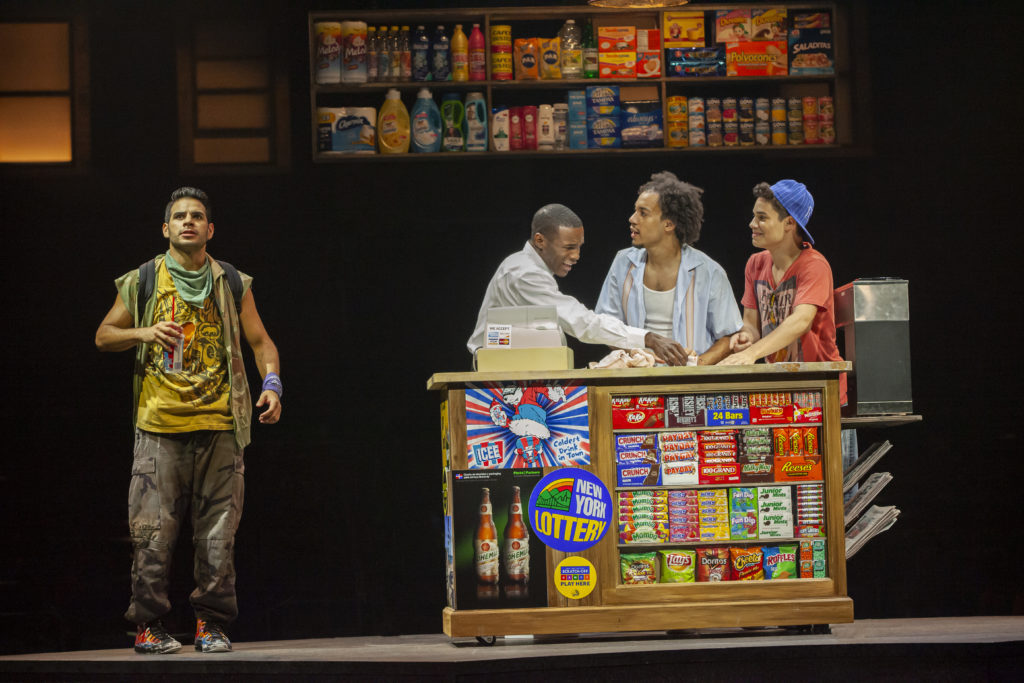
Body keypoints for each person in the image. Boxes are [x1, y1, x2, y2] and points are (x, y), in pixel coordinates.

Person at [95, 187, 282, 655]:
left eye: (197, 216)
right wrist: (144, 331)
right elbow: (103, 335)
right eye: (179, 216)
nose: (188, 222)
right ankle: (149, 627)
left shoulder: (232, 280)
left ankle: (211, 625)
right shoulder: (143, 279)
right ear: (166, 228)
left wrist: (273, 385)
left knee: (218, 536)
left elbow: (262, 343)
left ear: (209, 228)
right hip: (159, 425)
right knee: (152, 535)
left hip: (220, 424)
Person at [467, 203, 691, 365]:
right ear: (540, 241)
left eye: (579, 247)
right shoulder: (523, 273)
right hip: (499, 376)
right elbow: (581, 322)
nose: (576, 256)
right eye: (568, 247)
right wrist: (647, 338)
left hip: (514, 369)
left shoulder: (528, 268)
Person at [596, 171, 742, 365]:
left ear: (669, 224)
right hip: (637, 376)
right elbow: (606, 327)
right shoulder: (623, 262)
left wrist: (697, 365)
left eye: (643, 213)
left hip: (691, 383)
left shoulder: (709, 271)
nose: (632, 219)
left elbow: (729, 336)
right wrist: (640, 354)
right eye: (635, 211)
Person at [718, 179, 846, 399]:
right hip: (781, 390)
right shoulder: (755, 264)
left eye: (762, 217)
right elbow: (751, 323)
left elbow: (801, 321)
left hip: (821, 391)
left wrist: (751, 354)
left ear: (789, 223)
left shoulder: (814, 265)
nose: (752, 224)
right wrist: (746, 337)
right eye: (754, 216)